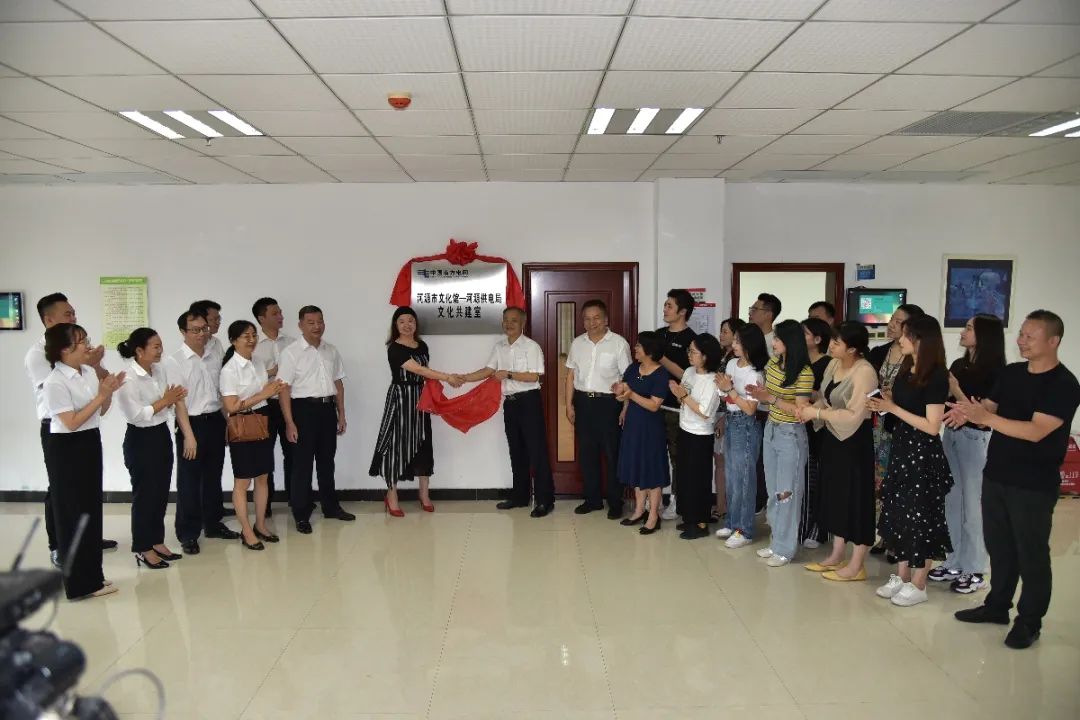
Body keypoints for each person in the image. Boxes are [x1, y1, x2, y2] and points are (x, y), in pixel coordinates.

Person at [950, 310, 1080, 649]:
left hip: (1033, 483)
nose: (1021, 341)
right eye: (1021, 334)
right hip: (997, 474)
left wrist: (986, 417)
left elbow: (1036, 431)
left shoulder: (1063, 384)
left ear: (1053, 341)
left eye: (1029, 336)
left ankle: (1029, 621)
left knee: (1031, 553)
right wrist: (967, 411)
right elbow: (988, 410)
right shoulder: (1011, 373)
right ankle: (997, 606)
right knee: (1000, 548)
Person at [24, 293, 117, 565]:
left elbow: (99, 385)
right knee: (60, 491)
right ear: (49, 320)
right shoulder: (38, 355)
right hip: (58, 428)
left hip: (87, 427)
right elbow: (62, 395)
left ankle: (88, 539)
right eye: (67, 314)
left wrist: (95, 365)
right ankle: (59, 545)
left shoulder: (82, 360)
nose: (73, 318)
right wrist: (89, 364)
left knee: (88, 490)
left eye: (74, 313)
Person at [869, 316, 953, 608]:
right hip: (902, 449)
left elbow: (932, 426)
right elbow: (904, 406)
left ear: (921, 340)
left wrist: (892, 407)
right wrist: (886, 402)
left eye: (906, 335)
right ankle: (902, 576)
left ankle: (919, 582)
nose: (900, 339)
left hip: (923, 454)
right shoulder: (907, 369)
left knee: (922, 518)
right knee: (899, 514)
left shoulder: (937, 375)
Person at [42, 323, 125, 600]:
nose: (87, 345)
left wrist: (108, 392)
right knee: (72, 515)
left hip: (89, 441)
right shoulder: (54, 381)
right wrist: (101, 395)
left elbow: (100, 411)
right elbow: (71, 422)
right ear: (65, 349)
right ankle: (78, 584)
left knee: (90, 510)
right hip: (66, 448)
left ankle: (93, 577)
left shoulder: (87, 372)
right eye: (81, 341)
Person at [931, 314, 1005, 594]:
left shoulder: (997, 372)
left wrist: (956, 390)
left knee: (973, 507)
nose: (963, 332)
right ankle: (953, 560)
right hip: (951, 434)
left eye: (969, 328)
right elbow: (949, 404)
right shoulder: (958, 365)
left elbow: (983, 416)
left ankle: (975, 569)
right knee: (952, 501)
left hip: (975, 439)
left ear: (984, 335)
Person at [798, 322, 878, 581]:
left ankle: (857, 564)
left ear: (852, 348)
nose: (831, 346)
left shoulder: (864, 372)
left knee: (856, 500)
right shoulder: (833, 364)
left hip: (854, 443)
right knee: (835, 497)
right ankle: (836, 554)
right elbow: (825, 397)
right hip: (833, 438)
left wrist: (817, 413)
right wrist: (809, 410)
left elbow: (855, 415)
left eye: (837, 343)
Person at [460, 307, 554, 517]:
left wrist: (509, 374)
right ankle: (520, 496)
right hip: (510, 404)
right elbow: (488, 370)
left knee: (536, 451)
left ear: (523, 323)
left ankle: (545, 500)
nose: (508, 324)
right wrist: (464, 378)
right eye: (505, 320)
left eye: (513, 320)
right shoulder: (500, 347)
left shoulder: (531, 347)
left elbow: (535, 376)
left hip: (529, 402)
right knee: (516, 451)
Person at [370, 307, 459, 516]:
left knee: (423, 444)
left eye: (411, 320)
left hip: (421, 399)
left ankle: (424, 494)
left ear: (416, 323)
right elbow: (419, 369)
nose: (407, 325)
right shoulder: (394, 348)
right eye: (402, 321)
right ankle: (392, 496)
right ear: (395, 325)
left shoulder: (422, 345)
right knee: (395, 445)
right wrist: (448, 377)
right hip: (400, 399)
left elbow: (425, 374)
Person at [165, 308, 239, 556]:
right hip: (191, 424)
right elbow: (178, 402)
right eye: (195, 330)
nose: (201, 334)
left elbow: (220, 392)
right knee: (189, 481)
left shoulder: (213, 355)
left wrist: (228, 421)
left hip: (215, 420)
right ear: (183, 332)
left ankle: (213, 524)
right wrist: (189, 436)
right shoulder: (175, 361)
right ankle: (188, 533)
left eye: (204, 329)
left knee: (212, 477)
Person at [277, 305, 356, 533]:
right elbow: (284, 389)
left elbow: (338, 382)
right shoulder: (291, 353)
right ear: (300, 325)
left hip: (327, 410)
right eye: (310, 322)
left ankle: (331, 507)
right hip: (302, 411)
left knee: (326, 461)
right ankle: (301, 514)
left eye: (320, 321)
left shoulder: (331, 350)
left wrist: (341, 413)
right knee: (302, 465)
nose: (316, 326)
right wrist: (289, 422)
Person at [115, 328, 186, 569]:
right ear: (139, 350)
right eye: (155, 346)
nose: (160, 351)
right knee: (145, 496)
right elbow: (136, 415)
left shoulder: (158, 370)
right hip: (140, 439)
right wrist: (165, 401)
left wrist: (167, 401)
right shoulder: (128, 379)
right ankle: (143, 548)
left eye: (160, 345)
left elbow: (164, 406)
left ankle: (157, 541)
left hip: (160, 434)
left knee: (160, 492)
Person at [747, 319, 814, 567]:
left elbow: (801, 411)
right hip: (771, 429)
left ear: (789, 342)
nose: (773, 343)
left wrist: (771, 398)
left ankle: (786, 549)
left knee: (787, 493)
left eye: (777, 339)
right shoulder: (773, 363)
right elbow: (767, 393)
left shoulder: (804, 373)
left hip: (791, 434)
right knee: (773, 490)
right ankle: (776, 542)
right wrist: (759, 393)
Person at [220, 320, 286, 550]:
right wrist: (264, 393)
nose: (251, 340)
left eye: (253, 335)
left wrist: (272, 385)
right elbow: (232, 406)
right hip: (242, 423)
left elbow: (263, 386)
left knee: (263, 476)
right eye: (245, 336)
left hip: (262, 418)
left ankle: (260, 525)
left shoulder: (257, 362)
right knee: (242, 481)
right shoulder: (229, 370)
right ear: (233, 341)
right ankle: (246, 531)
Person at [565, 299, 631, 519]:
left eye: (596, 318)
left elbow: (627, 378)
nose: (591, 323)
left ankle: (615, 502)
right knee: (587, 453)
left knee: (612, 454)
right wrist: (569, 405)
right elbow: (571, 376)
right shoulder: (577, 343)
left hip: (609, 404)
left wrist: (625, 407)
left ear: (605, 320)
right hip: (583, 402)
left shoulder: (618, 343)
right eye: (587, 318)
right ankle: (592, 500)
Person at [867, 303, 924, 557]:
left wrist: (894, 397)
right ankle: (883, 533)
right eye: (892, 319)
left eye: (899, 322)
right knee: (878, 482)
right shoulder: (879, 351)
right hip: (876, 425)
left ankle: (897, 539)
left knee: (898, 482)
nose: (891, 324)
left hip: (901, 427)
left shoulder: (916, 358)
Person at [715, 323, 768, 549]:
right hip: (731, 420)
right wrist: (724, 389)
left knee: (744, 479)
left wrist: (729, 390)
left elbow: (750, 409)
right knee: (731, 476)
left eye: (737, 341)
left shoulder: (755, 373)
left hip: (746, 426)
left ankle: (744, 530)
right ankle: (732, 522)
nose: (733, 344)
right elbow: (726, 394)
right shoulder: (731, 363)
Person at [668, 334, 724, 539]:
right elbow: (683, 399)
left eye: (693, 351)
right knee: (684, 477)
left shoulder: (713, 381)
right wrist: (678, 393)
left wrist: (683, 395)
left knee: (698, 480)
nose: (689, 355)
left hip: (700, 435)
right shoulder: (689, 372)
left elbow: (705, 412)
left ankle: (700, 522)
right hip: (684, 429)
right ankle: (689, 517)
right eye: (689, 351)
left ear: (706, 356)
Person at [615, 331, 671, 535]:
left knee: (652, 470)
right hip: (633, 425)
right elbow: (625, 390)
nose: (635, 348)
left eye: (639, 346)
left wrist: (631, 395)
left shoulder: (661, 374)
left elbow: (654, 405)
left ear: (649, 350)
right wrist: (623, 400)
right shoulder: (633, 368)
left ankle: (653, 515)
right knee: (637, 467)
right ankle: (639, 510)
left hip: (651, 428)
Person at [252, 297, 296, 517]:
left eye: (280, 312)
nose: (280, 317)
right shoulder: (251, 345)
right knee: (264, 456)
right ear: (261, 318)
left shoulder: (292, 342)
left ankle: (296, 499)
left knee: (294, 453)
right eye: (275, 313)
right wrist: (271, 372)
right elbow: (247, 379)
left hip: (290, 404)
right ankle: (265, 504)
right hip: (264, 406)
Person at [190, 299, 233, 519]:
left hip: (216, 415)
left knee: (215, 468)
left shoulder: (216, 344)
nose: (217, 322)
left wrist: (227, 417)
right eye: (214, 318)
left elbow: (222, 382)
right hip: (195, 420)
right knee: (194, 473)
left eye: (218, 318)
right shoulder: (186, 355)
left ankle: (214, 511)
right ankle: (198, 516)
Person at [656, 289, 696, 520]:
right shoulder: (658, 335)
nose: (665, 309)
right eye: (665, 304)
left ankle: (675, 501)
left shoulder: (691, 340)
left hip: (676, 408)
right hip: (653, 405)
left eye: (669, 306)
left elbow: (686, 375)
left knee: (677, 458)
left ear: (682, 311)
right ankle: (653, 498)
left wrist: (661, 358)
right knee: (654, 454)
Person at [799, 317, 833, 550]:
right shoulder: (799, 361)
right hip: (799, 424)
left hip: (819, 426)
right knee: (803, 477)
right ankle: (803, 524)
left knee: (818, 477)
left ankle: (820, 528)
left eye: (806, 333)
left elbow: (826, 396)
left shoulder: (828, 364)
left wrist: (802, 392)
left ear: (818, 339)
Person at [712, 317, 746, 523]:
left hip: (729, 414)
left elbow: (734, 392)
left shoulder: (737, 361)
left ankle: (724, 507)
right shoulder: (722, 356)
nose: (721, 335)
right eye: (721, 330)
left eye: (726, 331)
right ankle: (721, 504)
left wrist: (724, 418)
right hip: (715, 412)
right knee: (719, 461)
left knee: (725, 463)